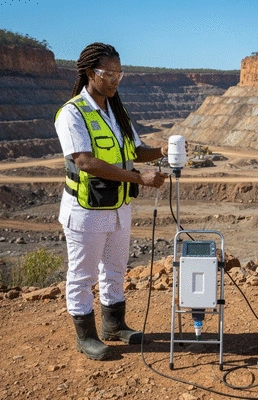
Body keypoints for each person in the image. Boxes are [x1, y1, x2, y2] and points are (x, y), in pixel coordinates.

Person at [54, 42, 169, 361]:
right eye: (110, 73)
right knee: (83, 274)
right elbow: (85, 162)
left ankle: (114, 325)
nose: (116, 78)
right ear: (91, 72)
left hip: (118, 207)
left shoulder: (117, 113)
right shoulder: (73, 112)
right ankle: (86, 336)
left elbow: (136, 151)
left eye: (120, 72)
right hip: (86, 210)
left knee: (116, 269)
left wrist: (162, 151)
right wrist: (139, 178)